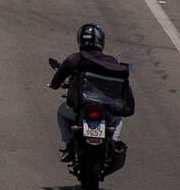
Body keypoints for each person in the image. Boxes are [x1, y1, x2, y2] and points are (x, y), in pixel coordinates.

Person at [50, 23, 134, 161]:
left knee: (61, 113)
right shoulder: (111, 61)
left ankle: (69, 143)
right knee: (118, 119)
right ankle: (113, 142)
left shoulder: (75, 59)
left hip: (81, 107)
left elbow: (58, 78)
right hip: (106, 109)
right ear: (101, 41)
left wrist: (54, 85)